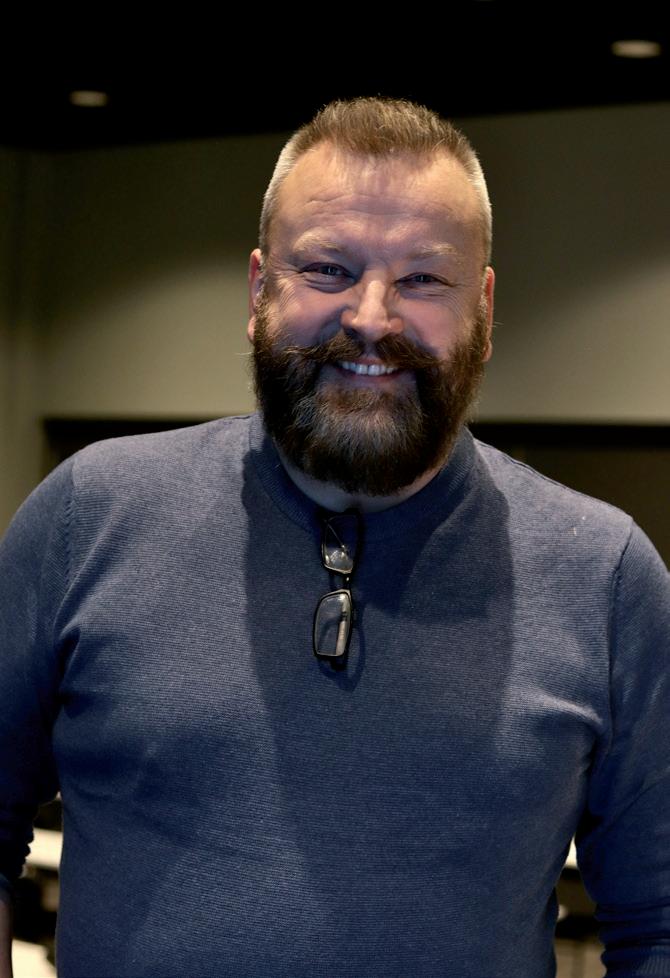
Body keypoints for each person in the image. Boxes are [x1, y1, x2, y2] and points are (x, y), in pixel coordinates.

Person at [0, 97, 668, 978]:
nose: (372, 317)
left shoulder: (604, 576)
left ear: (484, 308)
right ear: (258, 291)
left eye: (423, 279)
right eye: (327, 268)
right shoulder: (88, 515)